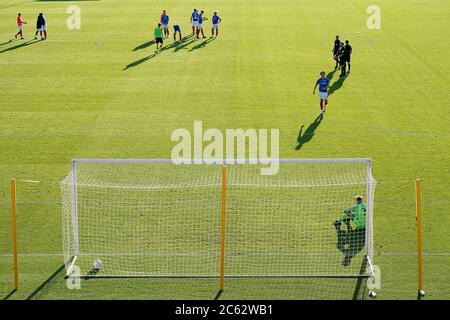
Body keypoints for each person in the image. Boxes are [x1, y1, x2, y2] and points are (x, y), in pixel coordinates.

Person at [333, 195, 367, 266]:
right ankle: (344, 222)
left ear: (356, 200)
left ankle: (339, 222)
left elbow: (346, 210)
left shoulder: (355, 207)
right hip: (367, 224)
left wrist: (349, 211)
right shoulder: (366, 206)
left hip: (359, 225)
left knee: (346, 213)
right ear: (362, 200)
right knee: (349, 214)